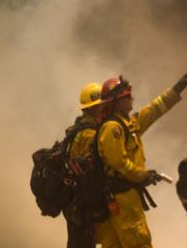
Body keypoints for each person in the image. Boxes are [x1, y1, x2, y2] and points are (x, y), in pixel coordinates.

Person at [95, 71, 187, 248]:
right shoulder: (113, 129)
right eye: (128, 95)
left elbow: (154, 110)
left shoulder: (127, 124)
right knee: (139, 242)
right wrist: (143, 175)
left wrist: (176, 90)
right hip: (123, 199)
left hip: (120, 199)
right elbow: (119, 163)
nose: (132, 98)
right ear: (116, 101)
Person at [64, 82, 112, 248]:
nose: (104, 108)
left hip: (74, 200)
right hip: (84, 200)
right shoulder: (90, 134)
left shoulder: (76, 128)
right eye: (101, 106)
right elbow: (93, 170)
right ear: (94, 108)